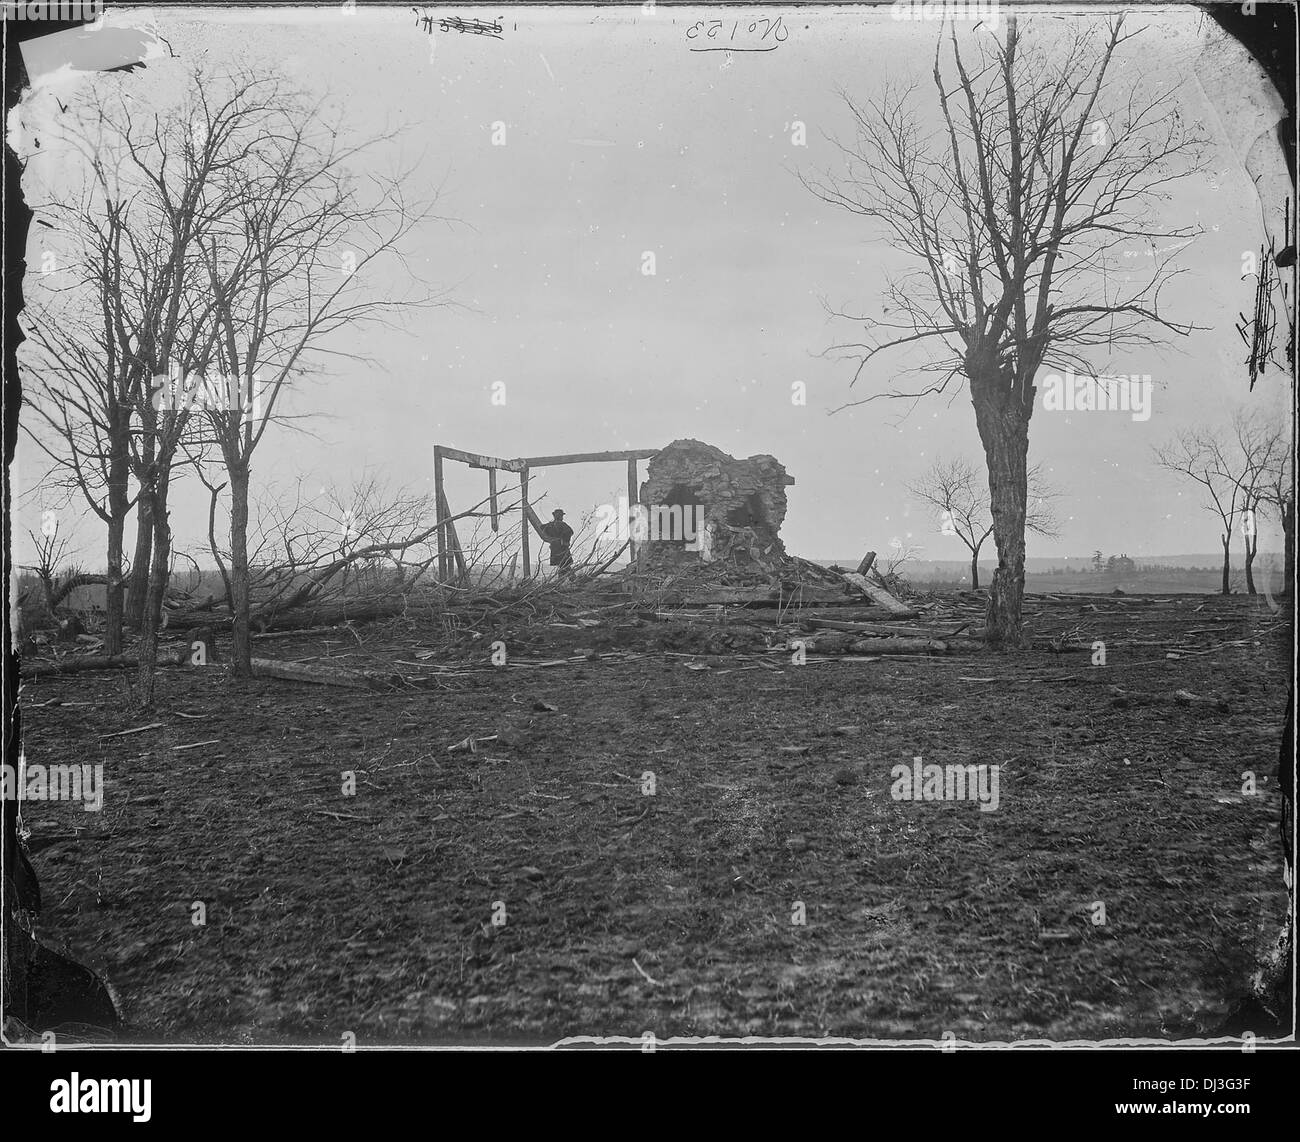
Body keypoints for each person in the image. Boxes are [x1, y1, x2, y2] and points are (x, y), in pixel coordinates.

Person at [539, 508, 575, 579]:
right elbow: (570, 532)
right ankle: (572, 580)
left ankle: (561, 581)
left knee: (562, 565)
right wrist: (564, 540)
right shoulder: (563, 524)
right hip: (562, 547)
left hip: (554, 547)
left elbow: (542, 527)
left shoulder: (550, 525)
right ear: (561, 516)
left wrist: (552, 537)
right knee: (565, 565)